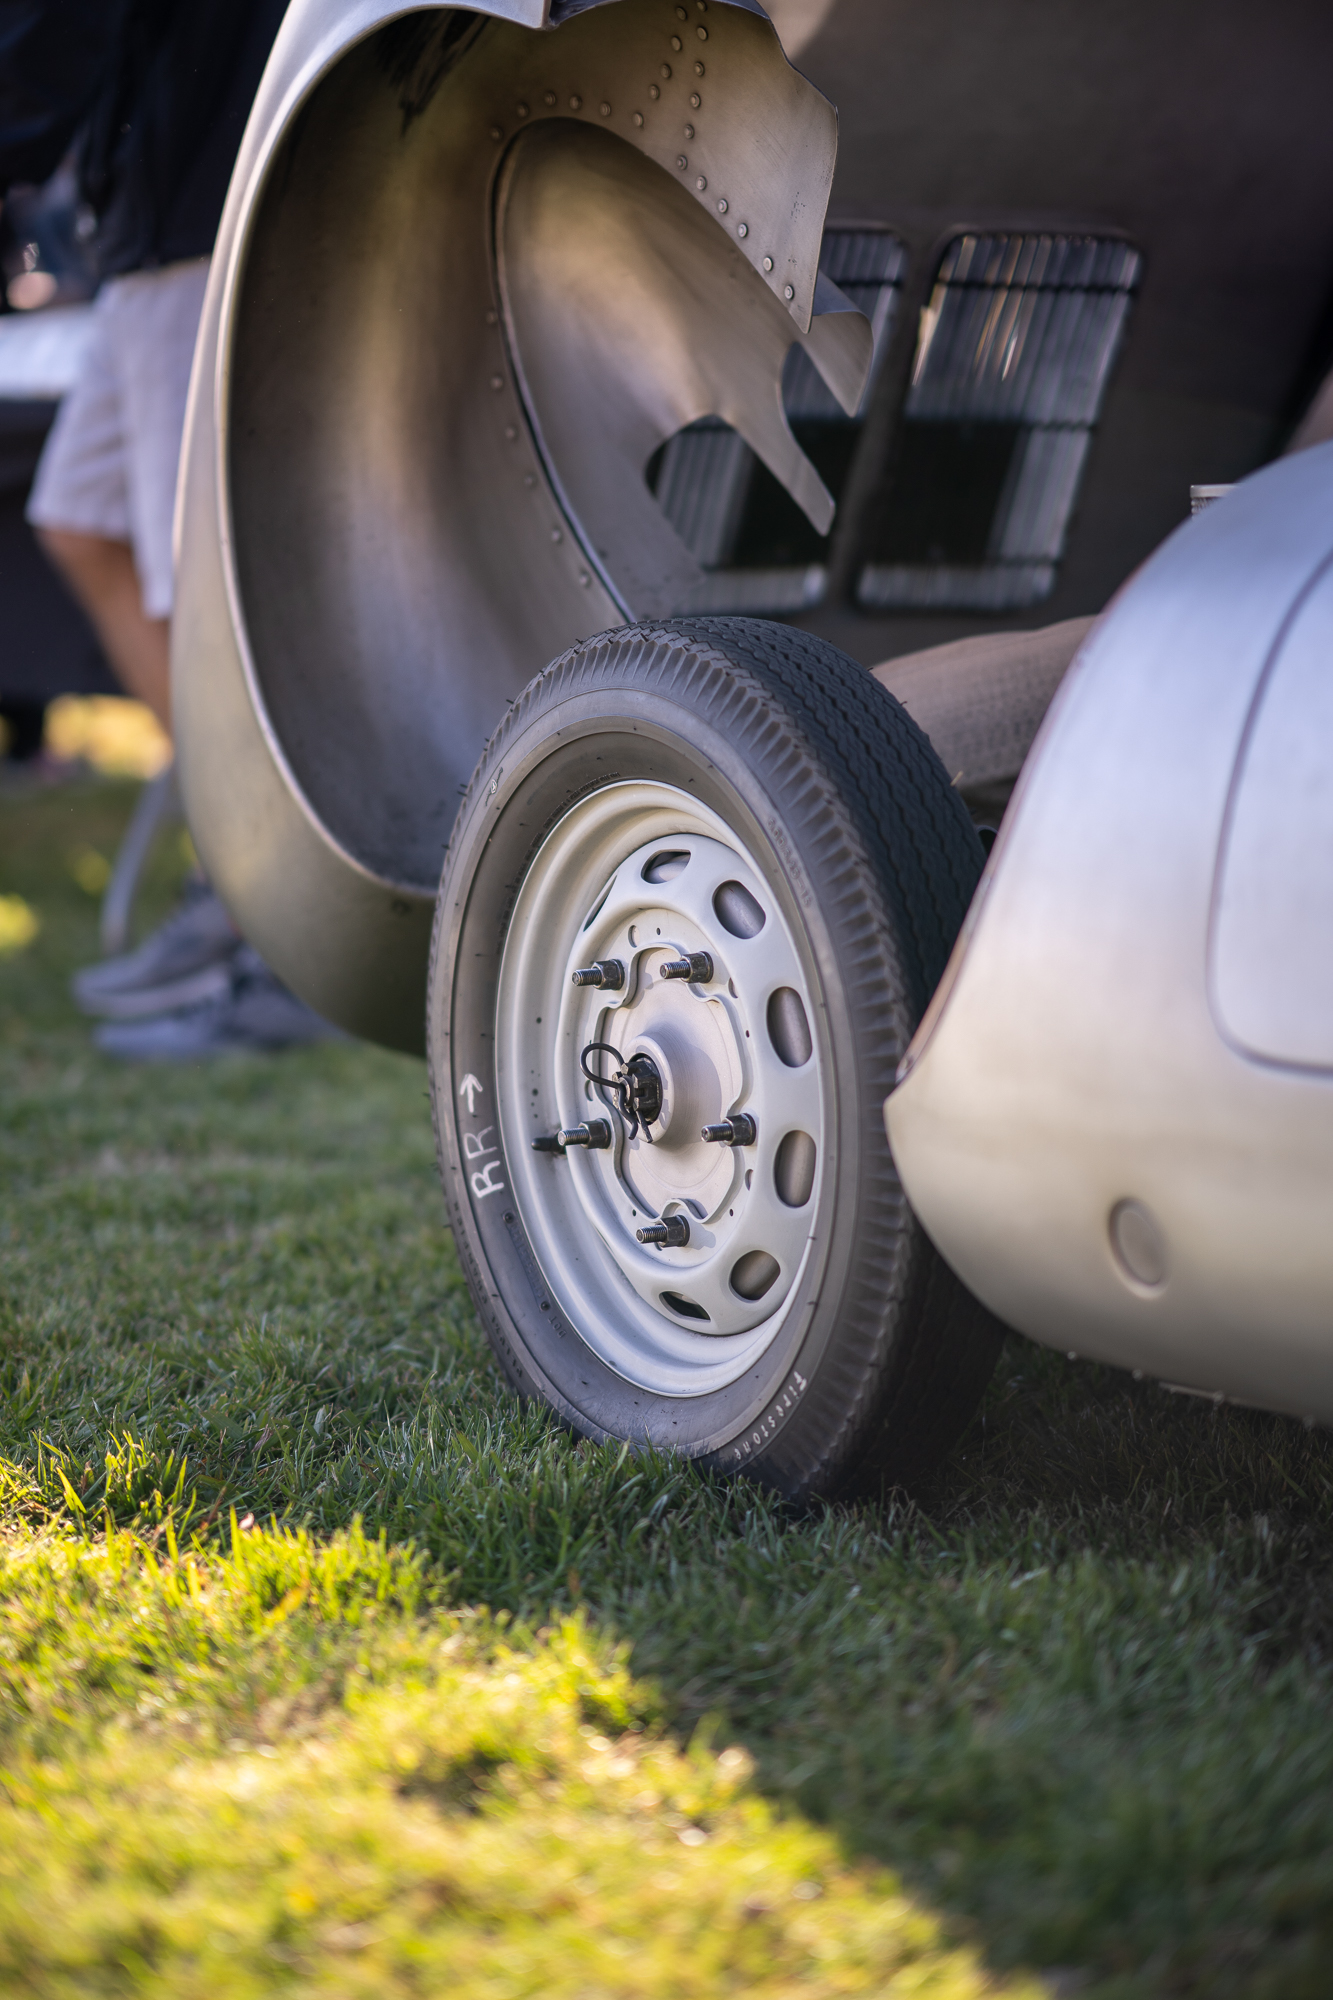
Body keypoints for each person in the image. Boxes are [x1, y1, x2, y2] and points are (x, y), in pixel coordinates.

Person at [0, 0, 336, 1058]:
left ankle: (287, 946)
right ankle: (237, 871)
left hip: (206, 191)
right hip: (144, 219)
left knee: (208, 608)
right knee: (78, 521)